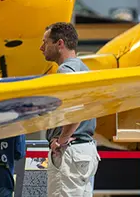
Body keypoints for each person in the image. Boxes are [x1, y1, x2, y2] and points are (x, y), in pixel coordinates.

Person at [40, 22, 100, 197]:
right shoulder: (84, 69)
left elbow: (77, 107)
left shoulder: (66, 71)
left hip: (69, 151)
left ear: (60, 44)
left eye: (45, 42)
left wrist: (62, 139)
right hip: (85, 149)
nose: (41, 47)